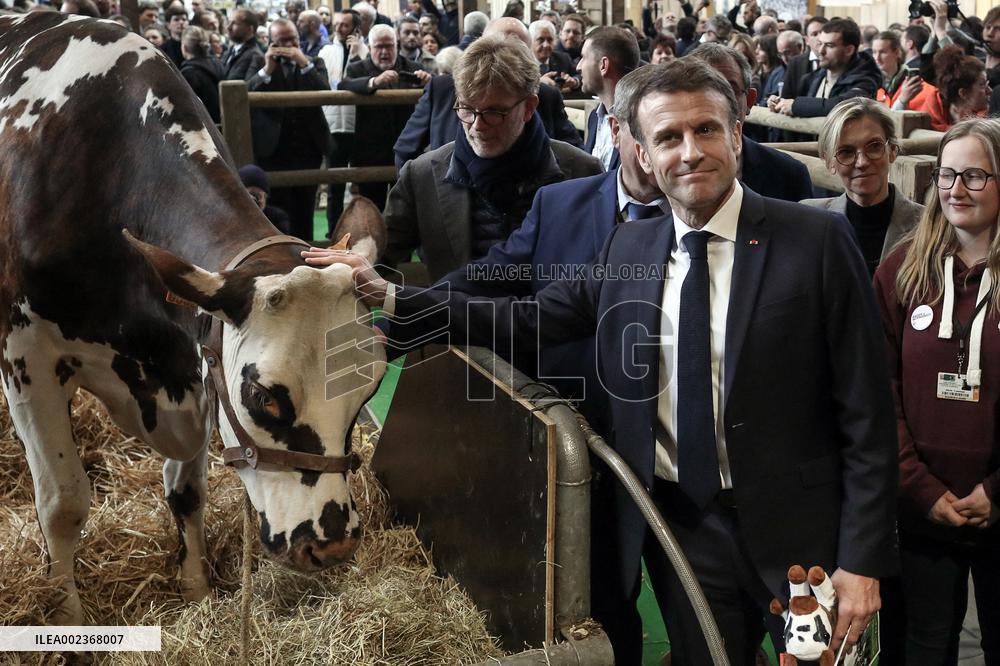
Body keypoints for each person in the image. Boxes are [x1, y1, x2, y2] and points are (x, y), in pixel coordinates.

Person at [319, 57, 898, 665]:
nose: (690, 152)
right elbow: (531, 318)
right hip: (682, 528)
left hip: (802, 535)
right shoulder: (631, 243)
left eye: (705, 130)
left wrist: (860, 560)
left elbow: (867, 412)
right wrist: (389, 296)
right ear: (642, 155)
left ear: (736, 135)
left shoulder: (816, 241)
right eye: (668, 137)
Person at [872, 117, 1000, 665]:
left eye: (974, 176)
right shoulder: (901, 269)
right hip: (923, 502)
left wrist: (999, 490)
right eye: (947, 175)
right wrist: (918, 487)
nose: (955, 189)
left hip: (999, 499)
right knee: (924, 643)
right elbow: (880, 388)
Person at [379, 34, 601, 281]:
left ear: (529, 107)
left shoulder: (584, 175)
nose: (477, 126)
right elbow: (377, 256)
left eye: (494, 112)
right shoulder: (421, 178)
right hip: (455, 318)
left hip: (547, 318)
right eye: (466, 109)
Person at [392, 18, 584, 171]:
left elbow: (574, 159)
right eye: (466, 108)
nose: (478, 125)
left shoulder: (546, 96)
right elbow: (406, 150)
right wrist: (428, 197)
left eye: (514, 52)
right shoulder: (442, 88)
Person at [801, 98, 923, 274]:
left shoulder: (927, 224)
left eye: (874, 147)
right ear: (829, 162)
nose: (862, 162)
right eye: (846, 152)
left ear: (893, 151)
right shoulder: (810, 219)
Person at [687, 43, 813, 202]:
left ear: (750, 100)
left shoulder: (789, 174)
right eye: (702, 89)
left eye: (728, 90)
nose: (714, 101)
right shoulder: (661, 173)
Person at [246, 18, 332, 241]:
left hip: (309, 149)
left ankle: (308, 256)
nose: (290, 45)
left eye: (293, 39)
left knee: (305, 209)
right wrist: (267, 69)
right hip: (273, 151)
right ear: (272, 43)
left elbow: (324, 90)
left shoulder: (315, 62)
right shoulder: (259, 61)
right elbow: (242, 92)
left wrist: (304, 64)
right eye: (283, 41)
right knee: (278, 211)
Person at [339, 24, 431, 211]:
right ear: (370, 48)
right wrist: (374, 82)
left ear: (396, 45)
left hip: (409, 150)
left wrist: (429, 82)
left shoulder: (413, 67)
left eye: (389, 46)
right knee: (372, 210)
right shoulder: (358, 69)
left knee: (409, 210)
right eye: (378, 47)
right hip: (371, 153)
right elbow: (344, 84)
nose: (384, 52)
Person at [317, 9, 368, 236]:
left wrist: (356, 53)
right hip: (333, 123)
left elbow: (362, 78)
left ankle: (364, 229)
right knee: (334, 183)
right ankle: (333, 231)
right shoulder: (326, 51)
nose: (339, 28)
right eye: (337, 24)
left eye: (345, 25)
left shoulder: (366, 51)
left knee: (364, 181)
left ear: (355, 28)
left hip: (359, 124)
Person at [768, 18, 880, 118]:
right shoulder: (812, 78)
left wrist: (795, 105)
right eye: (820, 43)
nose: (821, 51)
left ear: (849, 50)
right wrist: (780, 103)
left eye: (829, 46)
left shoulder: (866, 80)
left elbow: (842, 105)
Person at [580, 27, 641, 172]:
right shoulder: (595, 117)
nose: (578, 66)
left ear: (603, 65)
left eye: (583, 58)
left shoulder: (639, 121)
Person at [907, 46, 990, 131]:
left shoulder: (991, 120)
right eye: (982, 85)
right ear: (963, 93)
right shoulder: (928, 117)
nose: (990, 91)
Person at [179, 26, 223, 123]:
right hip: (223, 122)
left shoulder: (189, 73)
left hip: (206, 126)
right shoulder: (218, 63)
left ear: (184, 47)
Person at [238, 164, 291, 233]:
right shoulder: (231, 217)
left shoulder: (277, 217)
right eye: (250, 195)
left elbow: (283, 239)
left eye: (257, 195)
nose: (254, 200)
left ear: (266, 196)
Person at [531, 20, 576, 94]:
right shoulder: (522, 62)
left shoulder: (563, 58)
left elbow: (579, 76)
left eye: (550, 40)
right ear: (530, 41)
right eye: (540, 40)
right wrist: (538, 83)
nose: (546, 45)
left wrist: (573, 81)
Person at [223, 9, 261, 81]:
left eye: (234, 23)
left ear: (250, 29)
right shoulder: (229, 52)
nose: (228, 27)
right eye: (228, 22)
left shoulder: (255, 56)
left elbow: (248, 88)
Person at [873, 30, 908, 107]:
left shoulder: (909, 81)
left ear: (896, 52)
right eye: (874, 52)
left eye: (882, 52)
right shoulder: (870, 81)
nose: (877, 58)